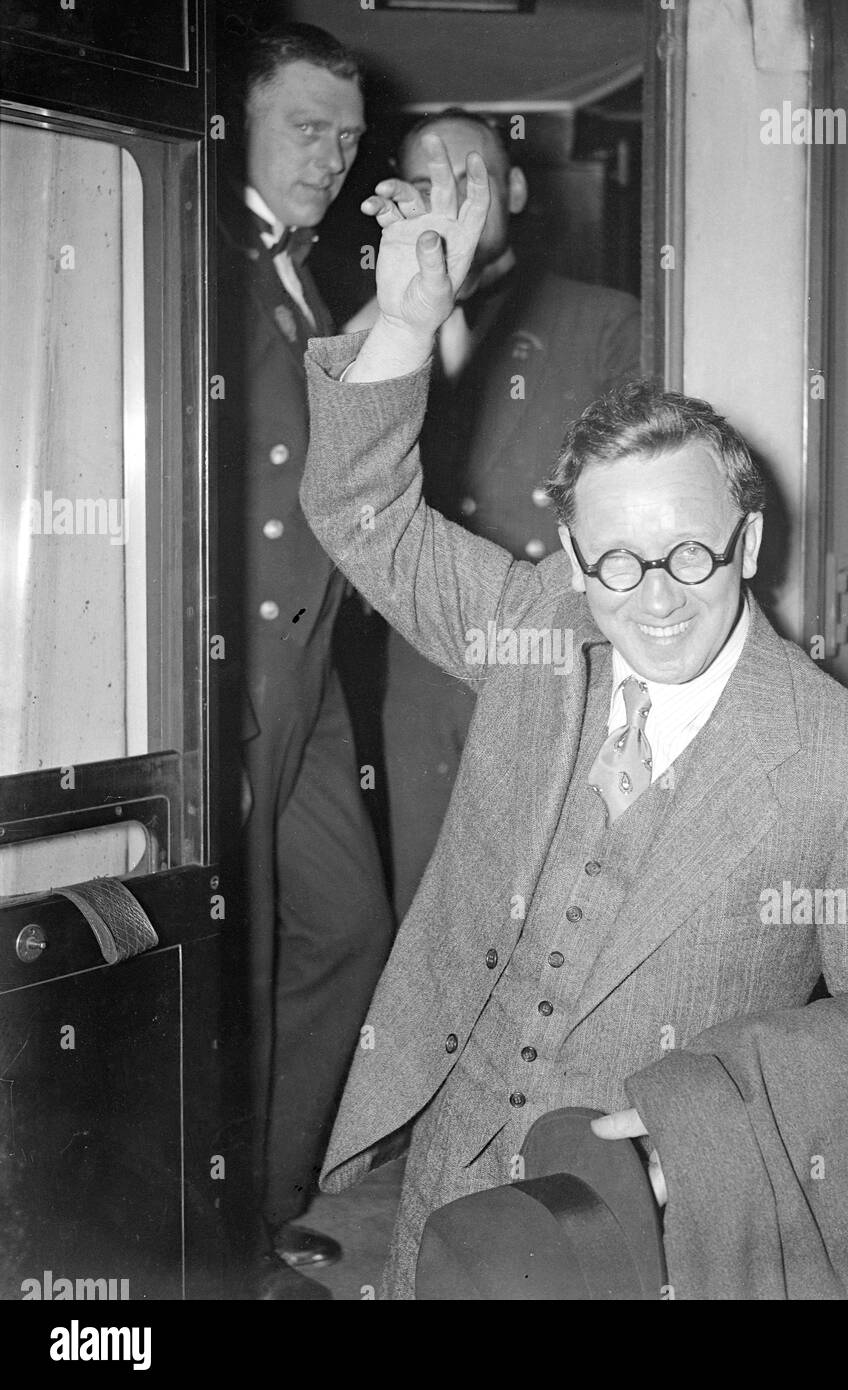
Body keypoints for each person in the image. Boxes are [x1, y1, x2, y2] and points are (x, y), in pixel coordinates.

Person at [298, 140, 848, 1298]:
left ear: (749, 543)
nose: (654, 597)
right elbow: (363, 513)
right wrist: (406, 322)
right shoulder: (536, 630)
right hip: (442, 1184)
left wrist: (701, 1130)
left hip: (637, 1236)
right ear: (571, 555)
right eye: (615, 561)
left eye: (688, 553)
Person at [346, 110, 641, 916]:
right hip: (421, 668)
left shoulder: (610, 320)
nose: (448, 199)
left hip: (554, 661)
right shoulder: (379, 321)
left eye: (467, 178)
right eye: (424, 182)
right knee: (428, 914)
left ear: (512, 187)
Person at [215, 23, 394, 1295]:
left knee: (348, 927)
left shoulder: (305, 273)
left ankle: (272, 1195)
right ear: (241, 121)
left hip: (314, 658)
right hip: (234, 666)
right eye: (306, 128)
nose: (331, 156)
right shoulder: (200, 245)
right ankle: (224, 1240)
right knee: (245, 949)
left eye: (346, 133)